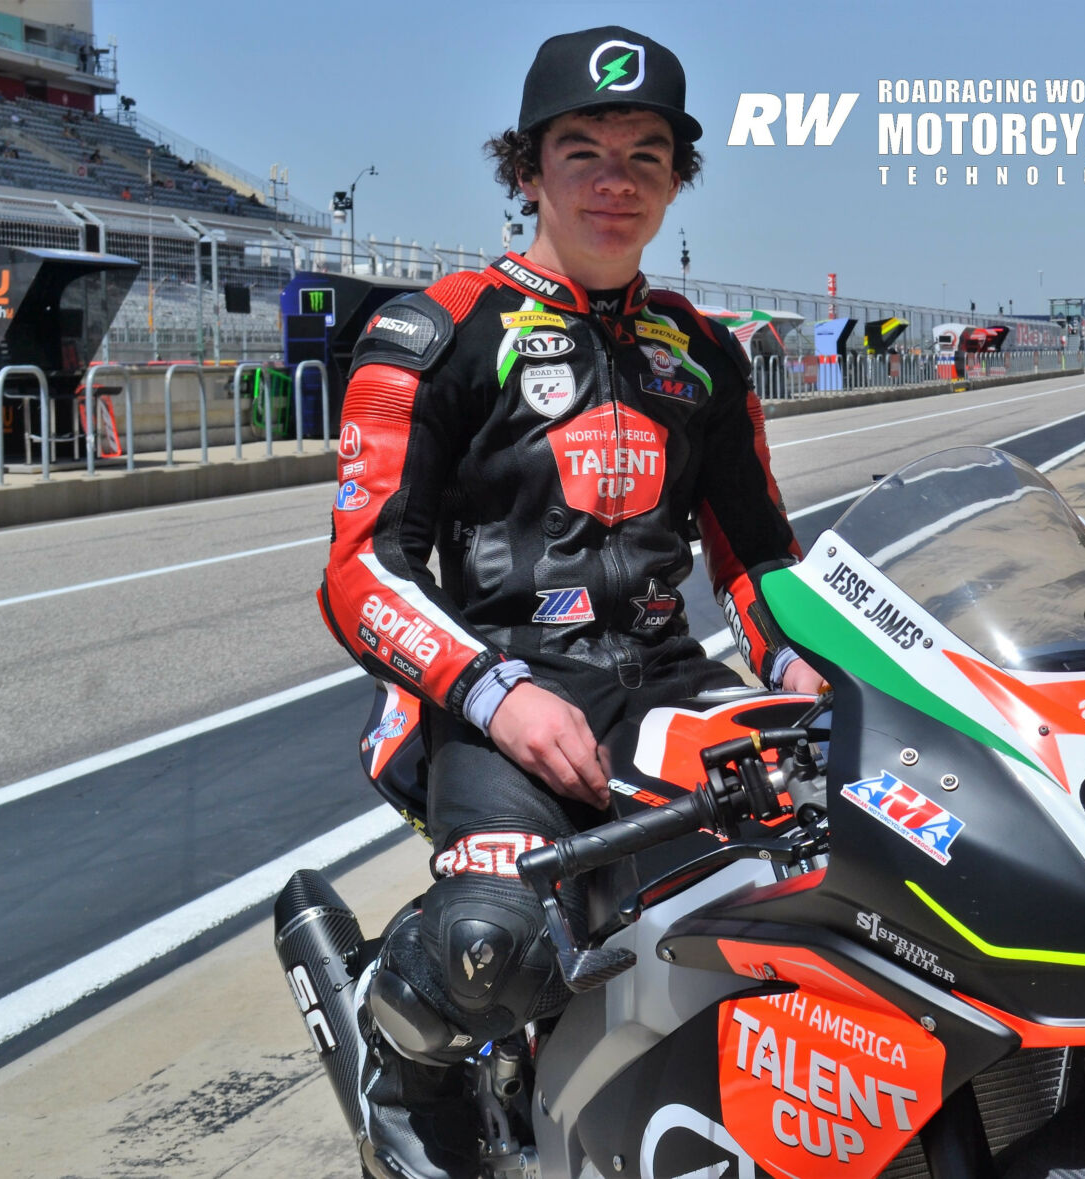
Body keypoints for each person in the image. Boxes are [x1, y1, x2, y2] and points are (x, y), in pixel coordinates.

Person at [316, 25, 822, 1179]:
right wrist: (494, 696)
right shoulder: (434, 332)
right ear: (528, 168)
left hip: (670, 684)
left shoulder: (703, 351)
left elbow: (758, 557)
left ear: (677, 180)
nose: (616, 179)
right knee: (489, 947)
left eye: (648, 155)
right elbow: (360, 570)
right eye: (583, 148)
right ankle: (401, 1071)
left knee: (832, 883)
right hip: (496, 692)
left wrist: (808, 667)